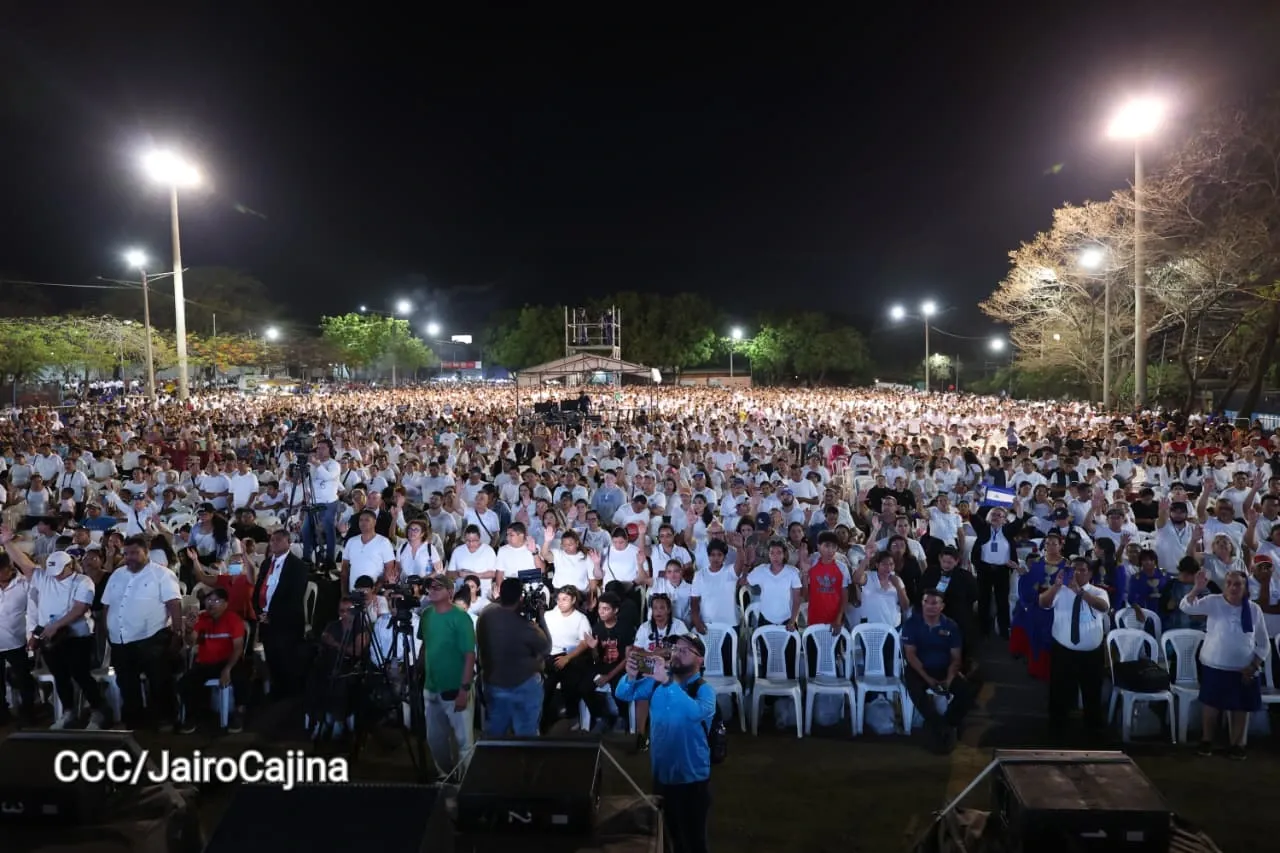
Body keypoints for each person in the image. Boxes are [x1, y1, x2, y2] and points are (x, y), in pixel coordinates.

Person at [615, 632, 715, 853]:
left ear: (701, 660)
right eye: (676, 648)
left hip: (692, 780)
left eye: (686, 650)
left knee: (694, 841)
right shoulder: (658, 683)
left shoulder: (704, 690)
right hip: (662, 775)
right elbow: (623, 693)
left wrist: (668, 682)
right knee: (665, 836)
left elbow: (694, 713)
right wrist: (630, 676)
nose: (678, 654)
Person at [1180, 567, 1270, 759]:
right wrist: (1197, 588)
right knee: (1210, 705)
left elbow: (1263, 643)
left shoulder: (1254, 610)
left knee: (1241, 707)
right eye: (1229, 583)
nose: (1233, 587)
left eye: (1238, 584)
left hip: (1243, 667)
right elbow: (1186, 607)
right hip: (1215, 664)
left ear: (1246, 587)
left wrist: (1254, 665)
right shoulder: (1213, 602)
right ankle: (1207, 741)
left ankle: (1238, 744)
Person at [101, 536, 183, 729]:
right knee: (126, 682)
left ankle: (165, 719)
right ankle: (134, 721)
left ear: (146, 552)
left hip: (152, 637)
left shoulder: (162, 574)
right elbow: (107, 605)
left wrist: (177, 633)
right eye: (127, 553)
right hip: (120, 639)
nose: (130, 557)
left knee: (158, 680)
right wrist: (107, 630)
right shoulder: (117, 575)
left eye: (135, 553)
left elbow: (174, 603)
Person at [1039, 556, 1109, 732]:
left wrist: (1081, 593)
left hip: (1091, 654)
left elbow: (1103, 607)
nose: (1077, 573)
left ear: (1090, 573)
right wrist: (1056, 586)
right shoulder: (1060, 590)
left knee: (1092, 694)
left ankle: (1093, 733)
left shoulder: (1098, 591)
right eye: (1074, 569)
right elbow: (1043, 603)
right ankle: (1057, 730)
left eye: (1082, 570)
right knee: (1059, 693)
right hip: (1064, 651)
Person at [901, 588, 973, 753]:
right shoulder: (912, 624)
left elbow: (956, 658)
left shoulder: (951, 626)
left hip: (944, 668)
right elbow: (910, 656)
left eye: (934, 603)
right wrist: (928, 679)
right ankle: (938, 725)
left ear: (942, 606)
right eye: (926, 602)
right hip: (920, 669)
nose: (930, 606)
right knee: (915, 688)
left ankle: (946, 723)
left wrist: (948, 679)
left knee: (966, 691)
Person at [477, 577, 550, 736]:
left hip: (493, 682)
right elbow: (546, 647)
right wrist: (540, 615)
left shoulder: (486, 614)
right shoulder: (524, 627)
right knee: (526, 734)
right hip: (522, 684)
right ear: (520, 598)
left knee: (496, 733)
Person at [418, 574, 476, 776]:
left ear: (450, 593)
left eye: (438, 586)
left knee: (463, 741)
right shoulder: (426, 615)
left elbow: (470, 656)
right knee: (435, 739)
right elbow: (425, 646)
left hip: (455, 687)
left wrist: (464, 689)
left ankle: (463, 783)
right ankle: (445, 776)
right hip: (431, 687)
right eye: (431, 586)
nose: (432, 589)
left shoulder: (461, 618)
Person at [178, 587, 248, 733]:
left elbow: (238, 648)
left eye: (216, 600)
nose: (211, 604)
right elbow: (191, 642)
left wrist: (227, 669)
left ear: (225, 604)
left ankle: (239, 712)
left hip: (227, 661)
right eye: (209, 600)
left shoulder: (233, 619)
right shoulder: (202, 619)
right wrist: (190, 630)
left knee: (241, 675)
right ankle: (192, 716)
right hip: (206, 662)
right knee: (185, 682)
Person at [255, 529, 310, 698]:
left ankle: (291, 692)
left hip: (287, 620)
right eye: (272, 540)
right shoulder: (266, 564)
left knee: (286, 657)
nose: (274, 543)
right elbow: (258, 590)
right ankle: (276, 687)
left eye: (278, 540)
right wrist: (259, 612)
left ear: (288, 543)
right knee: (271, 655)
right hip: (265, 618)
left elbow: (295, 596)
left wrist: (273, 615)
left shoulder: (298, 566)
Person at [302, 438, 343, 565]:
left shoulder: (334, 465)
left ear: (330, 450)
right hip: (313, 502)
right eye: (318, 448)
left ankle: (329, 559)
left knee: (328, 529)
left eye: (323, 448)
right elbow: (309, 482)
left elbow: (328, 477)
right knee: (306, 530)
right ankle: (307, 558)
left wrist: (316, 464)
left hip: (328, 502)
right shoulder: (313, 465)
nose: (319, 450)